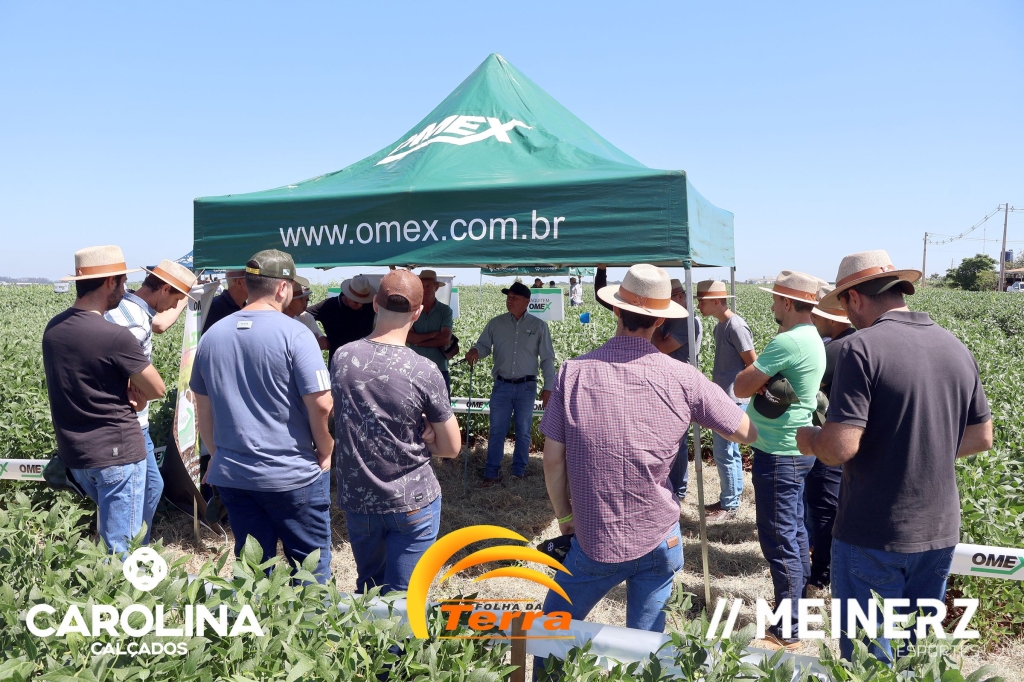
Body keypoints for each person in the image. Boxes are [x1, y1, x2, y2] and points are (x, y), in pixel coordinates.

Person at [539, 264, 756, 636]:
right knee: (647, 649)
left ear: (616, 310)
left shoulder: (573, 373)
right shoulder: (684, 377)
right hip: (659, 538)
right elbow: (745, 431)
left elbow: (553, 461)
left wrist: (565, 517)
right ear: (660, 320)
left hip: (596, 537)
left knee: (550, 631)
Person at [797, 250, 992, 662]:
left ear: (854, 298)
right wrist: (919, 446)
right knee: (914, 653)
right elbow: (980, 437)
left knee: (870, 659)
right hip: (939, 531)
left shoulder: (861, 348)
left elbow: (839, 448)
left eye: (844, 306)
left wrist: (811, 438)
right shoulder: (955, 346)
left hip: (874, 531)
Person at [191, 249, 334, 584]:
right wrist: (325, 449)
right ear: (283, 288)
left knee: (253, 569)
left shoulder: (212, 336)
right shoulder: (297, 334)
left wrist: (218, 453)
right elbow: (322, 403)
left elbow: (202, 406)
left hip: (234, 475)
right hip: (291, 474)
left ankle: (254, 618)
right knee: (309, 570)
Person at [332, 269, 462, 593]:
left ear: (375, 304)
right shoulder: (424, 369)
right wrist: (427, 431)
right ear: (418, 313)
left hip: (360, 499)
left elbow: (342, 416)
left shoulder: (343, 357)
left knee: (369, 591)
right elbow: (451, 447)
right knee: (405, 599)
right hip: (412, 500)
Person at [42, 246, 166, 554]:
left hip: (77, 455)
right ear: (111, 282)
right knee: (122, 549)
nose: (126, 289)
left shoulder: (54, 329)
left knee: (112, 541)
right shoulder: (115, 336)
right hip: (118, 453)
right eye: (123, 282)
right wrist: (138, 398)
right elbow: (157, 389)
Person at [733, 270, 825, 649]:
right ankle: (796, 609)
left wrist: (758, 383)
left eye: (775, 299)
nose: (772, 305)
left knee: (779, 537)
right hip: (797, 450)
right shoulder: (813, 337)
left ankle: (788, 628)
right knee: (796, 532)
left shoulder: (788, 341)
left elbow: (741, 385)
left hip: (779, 454)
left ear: (787, 302)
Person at [104, 258, 196, 542]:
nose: (174, 305)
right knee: (142, 491)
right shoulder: (134, 323)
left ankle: (131, 548)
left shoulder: (129, 307)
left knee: (148, 487)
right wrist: (141, 395)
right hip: (130, 420)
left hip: (129, 422)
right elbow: (124, 370)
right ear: (165, 289)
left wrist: (187, 294)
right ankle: (129, 553)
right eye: (176, 298)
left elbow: (160, 323)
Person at [466, 281, 555, 486]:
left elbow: (547, 359)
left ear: (527, 301)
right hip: (502, 385)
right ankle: (491, 472)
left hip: (527, 386)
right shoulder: (496, 323)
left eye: (515, 297)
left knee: (523, 431)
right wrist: (475, 351)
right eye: (508, 297)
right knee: (497, 430)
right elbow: (483, 346)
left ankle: (518, 472)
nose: (510, 300)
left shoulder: (539, 326)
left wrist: (548, 387)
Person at [803, 285, 854, 588]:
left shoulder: (833, 351)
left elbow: (800, 388)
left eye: (817, 316)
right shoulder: (857, 342)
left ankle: (822, 573)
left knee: (823, 508)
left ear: (832, 320)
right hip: (853, 442)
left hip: (830, 439)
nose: (813, 319)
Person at [695, 279, 758, 522]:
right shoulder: (720, 326)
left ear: (716, 302)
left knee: (725, 453)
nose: (699, 305)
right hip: (724, 397)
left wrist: (742, 391)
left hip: (733, 398)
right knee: (726, 452)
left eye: (702, 301)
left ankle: (730, 505)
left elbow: (753, 363)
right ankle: (728, 499)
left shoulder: (736, 326)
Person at [651, 279, 703, 500]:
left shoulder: (686, 321)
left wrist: (654, 324)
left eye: (668, 299)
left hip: (679, 386)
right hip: (667, 383)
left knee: (677, 440)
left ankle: (679, 490)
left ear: (680, 296)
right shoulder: (674, 318)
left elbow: (662, 347)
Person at [307, 275, 376, 366]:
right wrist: (314, 337)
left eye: (364, 301)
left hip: (365, 362)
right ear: (347, 295)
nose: (360, 305)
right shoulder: (329, 306)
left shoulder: (370, 306)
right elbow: (301, 315)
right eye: (356, 301)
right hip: (338, 363)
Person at [406, 269, 454, 395]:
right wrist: (433, 335)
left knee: (442, 406)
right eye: (422, 286)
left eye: (428, 286)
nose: (425, 289)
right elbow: (409, 337)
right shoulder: (411, 309)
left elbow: (445, 339)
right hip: (414, 368)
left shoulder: (445, 311)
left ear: (436, 287)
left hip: (439, 368)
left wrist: (418, 342)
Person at [284, 276, 330, 351]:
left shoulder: (301, 318)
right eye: (300, 299)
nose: (304, 303)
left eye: (306, 300)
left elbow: (322, 343)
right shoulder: (281, 321)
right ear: (289, 301)